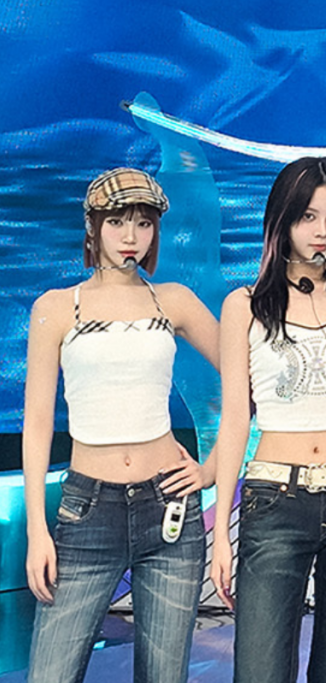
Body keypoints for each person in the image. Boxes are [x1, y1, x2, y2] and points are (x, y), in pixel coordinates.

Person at [22, 167, 220, 683]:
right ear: (92, 226)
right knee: (50, 673)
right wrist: (38, 530)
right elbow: (38, 423)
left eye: (143, 223)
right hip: (88, 509)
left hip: (168, 507)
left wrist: (213, 468)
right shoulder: (55, 307)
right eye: (117, 222)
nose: (131, 236)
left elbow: (248, 380)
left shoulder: (173, 300)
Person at [209, 157, 326, 683]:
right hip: (274, 499)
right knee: (260, 671)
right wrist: (220, 531)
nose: (322, 231)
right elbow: (235, 420)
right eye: (308, 217)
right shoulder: (244, 305)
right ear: (282, 219)